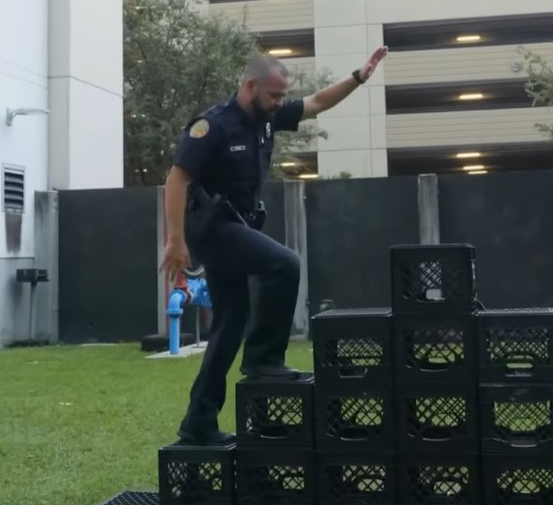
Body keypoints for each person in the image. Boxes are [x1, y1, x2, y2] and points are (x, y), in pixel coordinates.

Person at [158, 47, 390, 446]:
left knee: (230, 324)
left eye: (283, 97)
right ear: (250, 86)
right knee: (284, 264)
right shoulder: (211, 126)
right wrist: (175, 240)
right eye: (274, 96)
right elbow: (177, 180)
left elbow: (317, 103)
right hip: (211, 227)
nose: (279, 104)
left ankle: (198, 421)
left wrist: (359, 77)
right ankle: (264, 360)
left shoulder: (266, 119)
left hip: (234, 226)